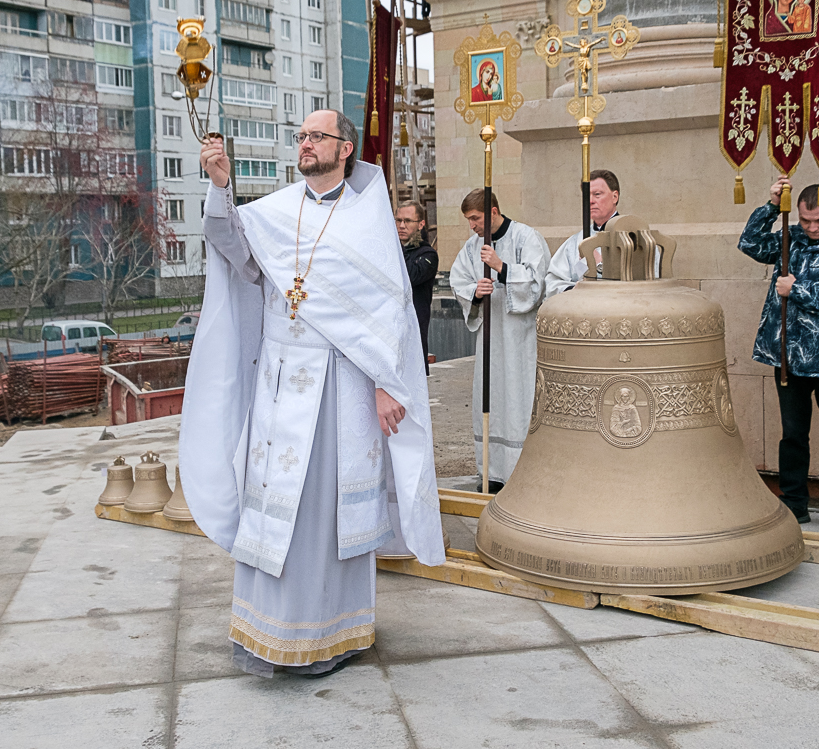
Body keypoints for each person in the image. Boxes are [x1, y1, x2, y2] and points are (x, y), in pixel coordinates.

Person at [180, 109, 445, 679]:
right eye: (299, 135)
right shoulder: (276, 212)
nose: (305, 144)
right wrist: (220, 185)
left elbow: (386, 315)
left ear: (344, 149)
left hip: (339, 386)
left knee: (324, 513)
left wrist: (385, 385)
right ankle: (267, 631)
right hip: (279, 385)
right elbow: (235, 251)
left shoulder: (366, 219)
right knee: (274, 508)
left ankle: (332, 632)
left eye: (316, 136)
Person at [738, 175, 819, 537]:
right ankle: (795, 502)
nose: (812, 228)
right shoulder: (790, 237)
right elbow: (749, 243)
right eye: (806, 220)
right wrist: (771, 206)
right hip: (789, 357)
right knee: (793, 434)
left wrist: (796, 289)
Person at [448, 189, 549, 493]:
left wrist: (501, 267)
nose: (472, 226)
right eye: (468, 220)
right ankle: (491, 470)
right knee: (490, 395)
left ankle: (520, 470)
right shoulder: (472, 247)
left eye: (476, 218)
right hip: (490, 341)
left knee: (518, 398)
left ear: (492, 211)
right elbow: (458, 280)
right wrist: (475, 292)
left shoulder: (526, 238)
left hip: (520, 339)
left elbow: (538, 282)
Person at [545, 169, 621, 298]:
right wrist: (575, 290)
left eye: (597, 194)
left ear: (615, 197)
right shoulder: (575, 242)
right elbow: (553, 282)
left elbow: (644, 284)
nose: (590, 201)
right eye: (587, 195)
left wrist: (600, 266)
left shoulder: (633, 237)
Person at [396, 201, 438, 372]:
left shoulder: (428, 255)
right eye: (398, 220)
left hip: (414, 329)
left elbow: (410, 276)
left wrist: (397, 248)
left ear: (421, 224)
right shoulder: (392, 250)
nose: (401, 226)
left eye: (407, 221)